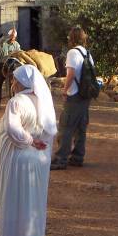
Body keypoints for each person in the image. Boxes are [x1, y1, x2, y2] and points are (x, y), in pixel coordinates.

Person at [0, 65, 57, 236]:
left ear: (22, 82)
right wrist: (40, 143)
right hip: (37, 159)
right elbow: (50, 131)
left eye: (14, 80)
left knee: (12, 198)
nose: (12, 83)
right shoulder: (44, 103)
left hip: (16, 157)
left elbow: (13, 130)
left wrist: (30, 140)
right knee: (34, 199)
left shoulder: (16, 102)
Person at [50, 26, 95, 170]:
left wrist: (64, 90)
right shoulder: (87, 53)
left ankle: (60, 159)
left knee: (66, 127)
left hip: (74, 95)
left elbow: (70, 74)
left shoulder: (72, 53)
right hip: (85, 95)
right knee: (81, 127)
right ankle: (77, 157)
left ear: (72, 38)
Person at [0, 28, 21, 109]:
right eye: (11, 35)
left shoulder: (17, 45)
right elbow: (2, 42)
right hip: (2, 64)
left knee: (13, 84)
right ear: (9, 36)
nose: (13, 37)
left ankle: (12, 103)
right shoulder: (4, 43)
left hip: (12, 65)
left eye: (14, 36)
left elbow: (19, 53)